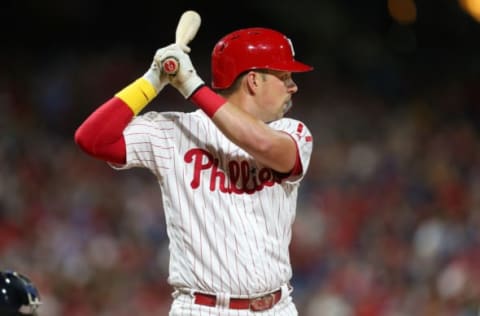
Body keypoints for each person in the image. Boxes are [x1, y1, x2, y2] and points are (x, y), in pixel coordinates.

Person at [75, 27, 313, 315]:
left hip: (277, 306)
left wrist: (191, 85)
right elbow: (92, 139)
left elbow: (262, 143)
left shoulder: (291, 131)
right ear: (253, 81)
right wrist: (153, 80)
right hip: (203, 308)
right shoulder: (174, 130)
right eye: (284, 76)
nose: (293, 86)